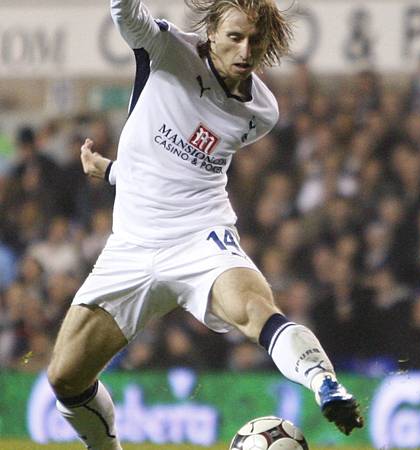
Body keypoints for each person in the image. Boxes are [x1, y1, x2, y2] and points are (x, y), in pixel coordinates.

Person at [46, 1, 363, 449]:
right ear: (211, 31)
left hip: (200, 238)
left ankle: (324, 382)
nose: (245, 50)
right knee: (64, 378)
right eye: (235, 37)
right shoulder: (166, 48)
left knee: (254, 309)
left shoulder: (262, 112)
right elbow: (126, 14)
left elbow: (187, 168)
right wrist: (114, 172)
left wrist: (116, 172)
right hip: (131, 247)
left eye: (255, 40)